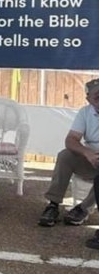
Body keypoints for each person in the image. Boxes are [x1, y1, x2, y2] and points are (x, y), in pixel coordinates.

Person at [38, 78, 99, 227]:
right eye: (97, 96)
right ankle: (53, 205)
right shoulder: (85, 113)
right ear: (89, 99)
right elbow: (71, 139)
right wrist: (88, 153)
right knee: (65, 155)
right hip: (91, 160)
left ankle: (83, 209)